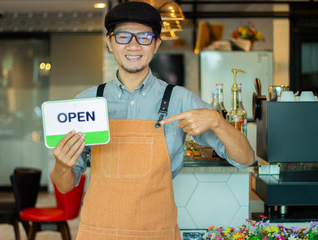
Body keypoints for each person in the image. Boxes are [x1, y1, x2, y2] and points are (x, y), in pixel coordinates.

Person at [51, 1, 255, 239]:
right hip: (99, 231)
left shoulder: (180, 100)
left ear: (157, 44)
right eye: (123, 36)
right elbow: (65, 185)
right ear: (109, 42)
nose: (134, 45)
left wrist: (217, 121)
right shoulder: (86, 103)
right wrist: (62, 165)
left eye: (144, 37)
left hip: (157, 232)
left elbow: (245, 159)